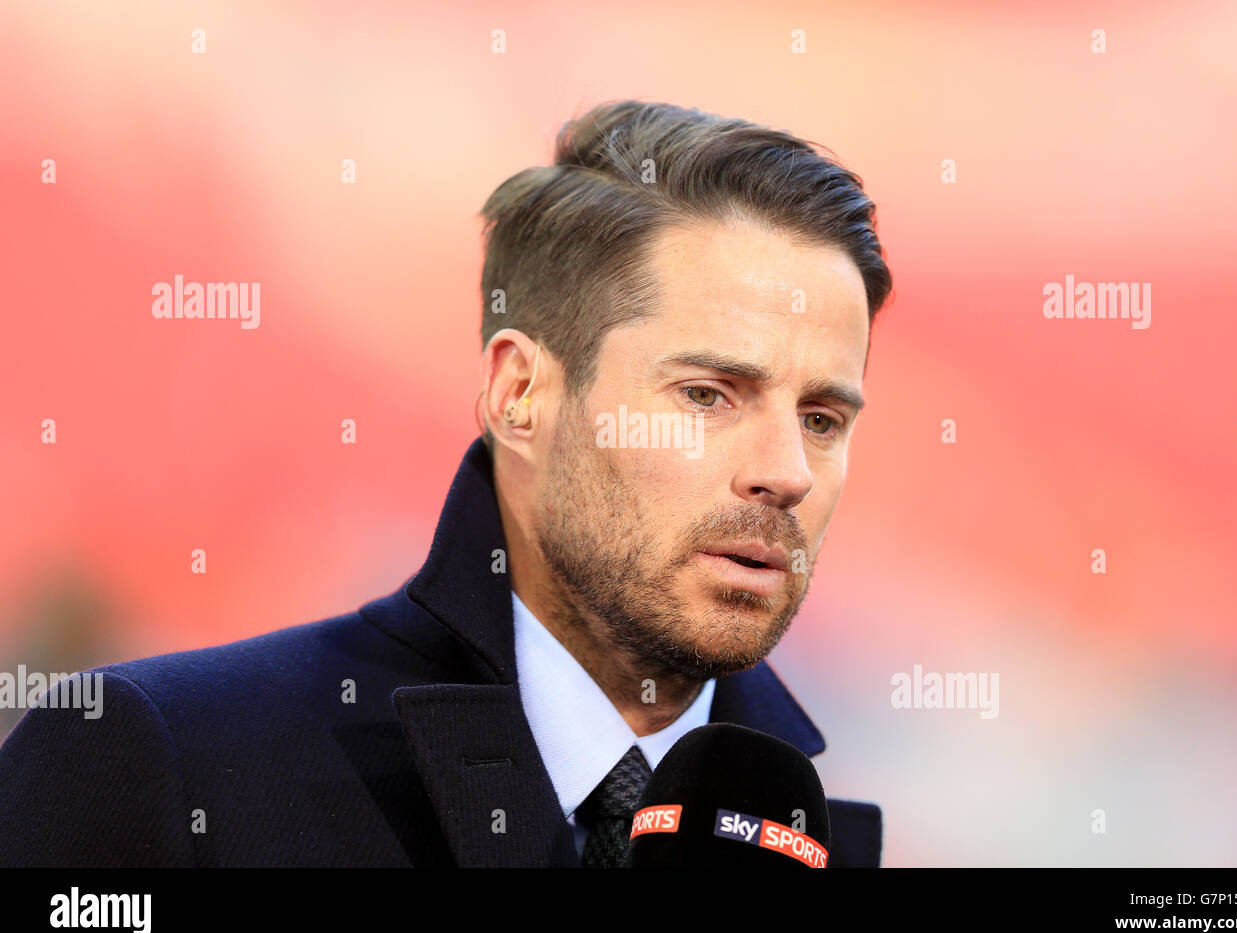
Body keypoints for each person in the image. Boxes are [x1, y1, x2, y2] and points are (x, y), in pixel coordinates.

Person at [0, 100, 891, 867]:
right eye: (707, 394)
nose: (785, 472)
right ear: (520, 394)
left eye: (822, 418)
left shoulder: (829, 838)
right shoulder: (161, 763)